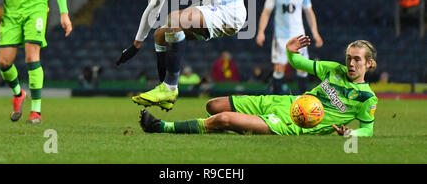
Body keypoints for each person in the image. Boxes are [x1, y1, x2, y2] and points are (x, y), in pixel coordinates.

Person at [116, 0, 249, 111]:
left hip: (231, 10)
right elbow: (152, 8)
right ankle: (164, 92)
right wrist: (136, 45)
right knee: (160, 35)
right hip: (211, 13)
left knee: (174, 19)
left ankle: (169, 88)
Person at [139, 35, 378, 137]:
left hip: (293, 123)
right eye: (349, 57)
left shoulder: (367, 99)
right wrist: (290, 51)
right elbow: (298, 62)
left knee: (223, 119)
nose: (351, 63)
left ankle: (161, 127)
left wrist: (350, 133)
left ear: (369, 63)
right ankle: (243, 127)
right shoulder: (333, 69)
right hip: (284, 102)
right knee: (214, 105)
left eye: (357, 59)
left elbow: (367, 131)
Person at [256, 0, 323, 95]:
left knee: (302, 67)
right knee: (279, 67)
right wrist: (261, 32)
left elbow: (309, 13)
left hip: (299, 36)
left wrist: (315, 33)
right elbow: (266, 13)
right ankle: (277, 99)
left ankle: (304, 98)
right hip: (281, 37)